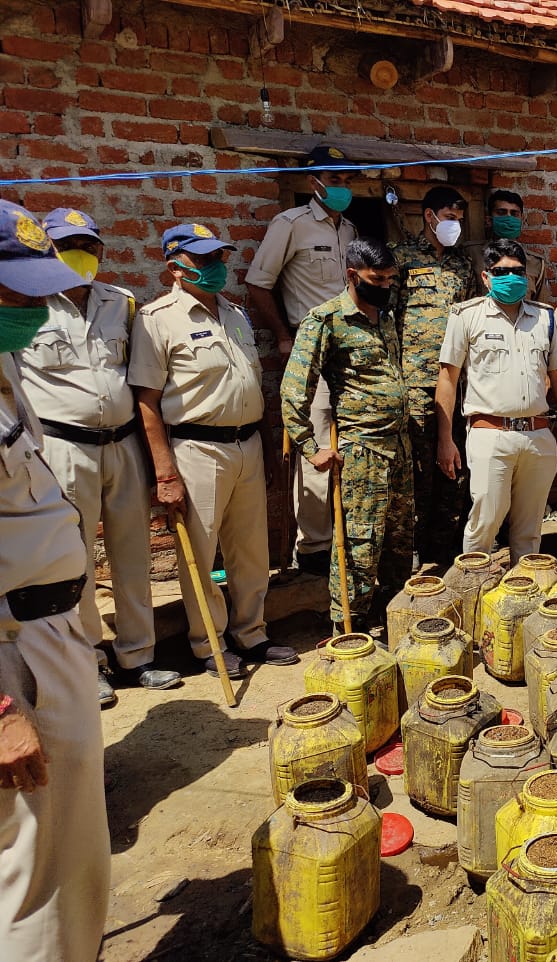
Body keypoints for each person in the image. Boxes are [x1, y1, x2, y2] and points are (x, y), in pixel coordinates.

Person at [0, 197, 110, 962]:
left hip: (49, 631)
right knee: (33, 872)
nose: (34, 308)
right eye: (15, 294)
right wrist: (2, 708)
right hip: (13, 654)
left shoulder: (2, 366)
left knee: (71, 853)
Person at [15, 208, 179, 701]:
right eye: (67, 247)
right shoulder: (27, 303)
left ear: (101, 252)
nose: (78, 256)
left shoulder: (122, 303)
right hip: (63, 446)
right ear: (48, 250)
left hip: (123, 443)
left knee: (134, 553)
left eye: (87, 246)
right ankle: (90, 662)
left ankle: (139, 655)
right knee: (76, 558)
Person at [129, 224, 297, 678]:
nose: (216, 268)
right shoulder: (156, 319)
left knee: (250, 551)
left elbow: (253, 383)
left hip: (248, 443)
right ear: (175, 268)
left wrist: (265, 442)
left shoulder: (235, 314)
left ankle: (252, 632)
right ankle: (209, 644)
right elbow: (146, 399)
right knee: (199, 555)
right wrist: (164, 472)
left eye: (219, 258)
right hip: (197, 448)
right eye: (204, 261)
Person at [282, 239, 412, 637]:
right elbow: (293, 390)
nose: (386, 286)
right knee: (359, 544)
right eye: (378, 279)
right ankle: (349, 629)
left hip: (399, 447)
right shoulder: (326, 320)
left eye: (391, 279)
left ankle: (389, 618)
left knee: (399, 541)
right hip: (363, 451)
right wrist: (312, 448)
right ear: (352, 275)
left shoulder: (384, 316)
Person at [245, 143, 357, 576]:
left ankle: (344, 542)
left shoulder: (349, 230)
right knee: (316, 445)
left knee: (346, 444)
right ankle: (312, 550)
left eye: (347, 181)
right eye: (334, 180)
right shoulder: (289, 224)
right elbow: (258, 283)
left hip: (350, 353)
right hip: (312, 353)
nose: (341, 187)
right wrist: (283, 335)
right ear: (313, 183)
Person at [436, 238, 557, 562]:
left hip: (537, 436)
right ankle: (473, 592)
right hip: (490, 435)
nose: (512, 278)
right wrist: (445, 440)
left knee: (530, 528)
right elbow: (447, 379)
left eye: (518, 271)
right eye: (502, 272)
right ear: (486, 277)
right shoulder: (466, 316)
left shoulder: (545, 318)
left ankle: (523, 595)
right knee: (485, 522)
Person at [390, 185, 475, 570]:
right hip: (416, 384)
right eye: (450, 218)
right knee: (417, 476)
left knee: (455, 475)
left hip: (458, 387)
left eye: (460, 219)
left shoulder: (463, 266)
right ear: (430, 216)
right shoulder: (402, 258)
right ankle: (412, 561)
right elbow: (386, 321)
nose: (456, 226)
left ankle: (443, 556)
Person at [466, 189, 548, 302]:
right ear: (489, 219)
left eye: (514, 214)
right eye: (501, 212)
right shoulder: (471, 254)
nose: (509, 218)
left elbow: (540, 305)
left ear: (521, 220)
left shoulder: (535, 263)